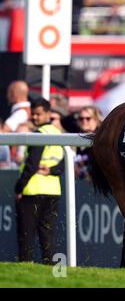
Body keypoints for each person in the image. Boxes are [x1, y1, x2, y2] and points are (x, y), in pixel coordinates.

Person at [14, 98, 64, 264]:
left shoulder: (39, 134)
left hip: (32, 191)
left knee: (26, 235)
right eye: (33, 114)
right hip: (53, 191)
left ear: (48, 114)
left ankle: (25, 266)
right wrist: (52, 170)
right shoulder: (59, 134)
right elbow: (64, 164)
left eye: (39, 114)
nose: (35, 117)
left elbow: (31, 165)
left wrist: (19, 188)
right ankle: (51, 267)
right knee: (47, 234)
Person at [74, 106, 102, 180]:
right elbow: (65, 120)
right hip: (80, 182)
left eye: (88, 118)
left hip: (98, 183)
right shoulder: (75, 137)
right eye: (81, 118)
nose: (84, 121)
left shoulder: (102, 139)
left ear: (96, 119)